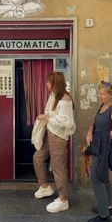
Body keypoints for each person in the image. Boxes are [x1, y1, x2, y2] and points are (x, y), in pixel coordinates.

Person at [33, 71, 76, 213]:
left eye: (48, 81)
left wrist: (46, 117)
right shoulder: (54, 96)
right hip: (49, 132)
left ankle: (63, 199)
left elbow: (65, 123)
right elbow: (51, 114)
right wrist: (47, 118)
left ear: (55, 83)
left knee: (58, 168)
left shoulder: (64, 100)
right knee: (38, 158)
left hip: (58, 137)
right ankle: (45, 187)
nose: (46, 84)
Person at [85, 81, 112, 222]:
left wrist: (100, 139)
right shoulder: (102, 106)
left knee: (97, 178)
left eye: (102, 94)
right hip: (98, 145)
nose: (99, 96)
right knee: (104, 177)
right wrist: (89, 133)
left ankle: (103, 216)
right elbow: (94, 123)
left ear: (111, 95)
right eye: (99, 93)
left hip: (106, 146)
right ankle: (108, 206)